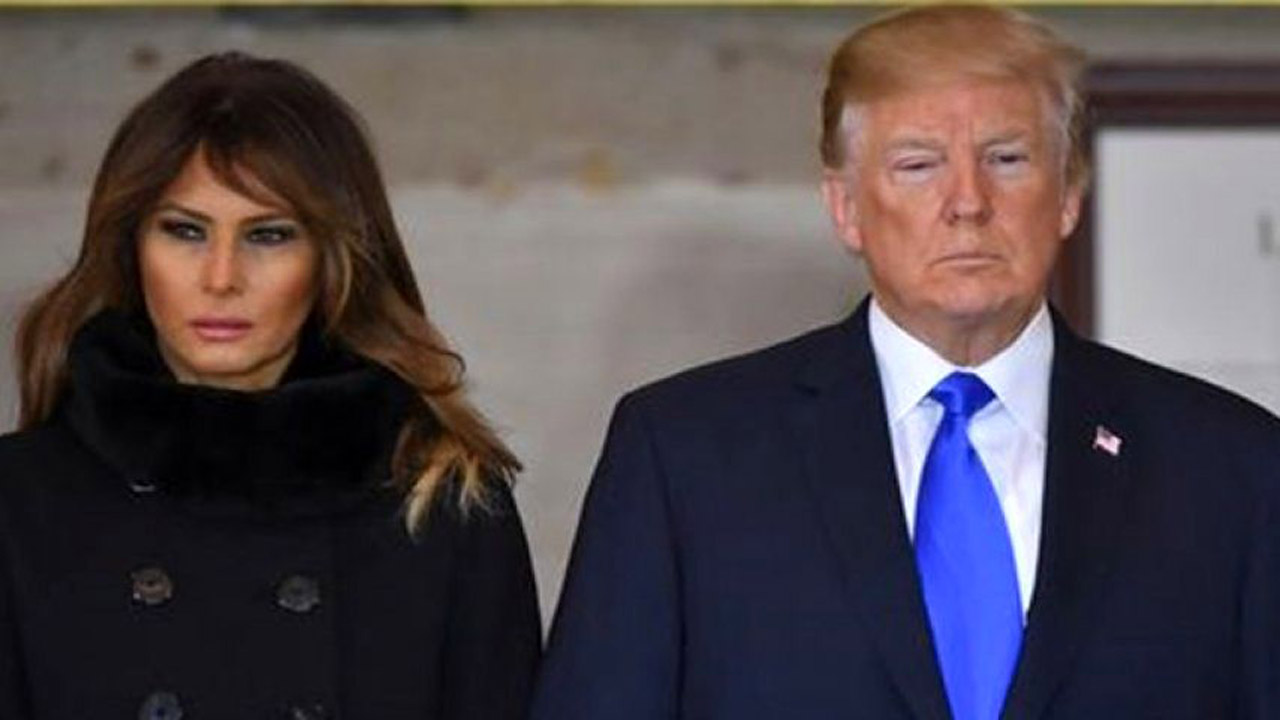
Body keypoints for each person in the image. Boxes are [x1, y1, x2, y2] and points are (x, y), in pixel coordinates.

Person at [532, 6, 1280, 720]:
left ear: (1068, 197)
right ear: (846, 208)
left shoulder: (1231, 469)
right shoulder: (686, 457)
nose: (968, 202)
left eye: (1006, 159)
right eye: (919, 165)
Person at [0, 52, 540, 719]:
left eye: (269, 235)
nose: (221, 277)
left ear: (333, 259)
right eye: (185, 231)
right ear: (131, 247)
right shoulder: (20, 503)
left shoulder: (445, 506)